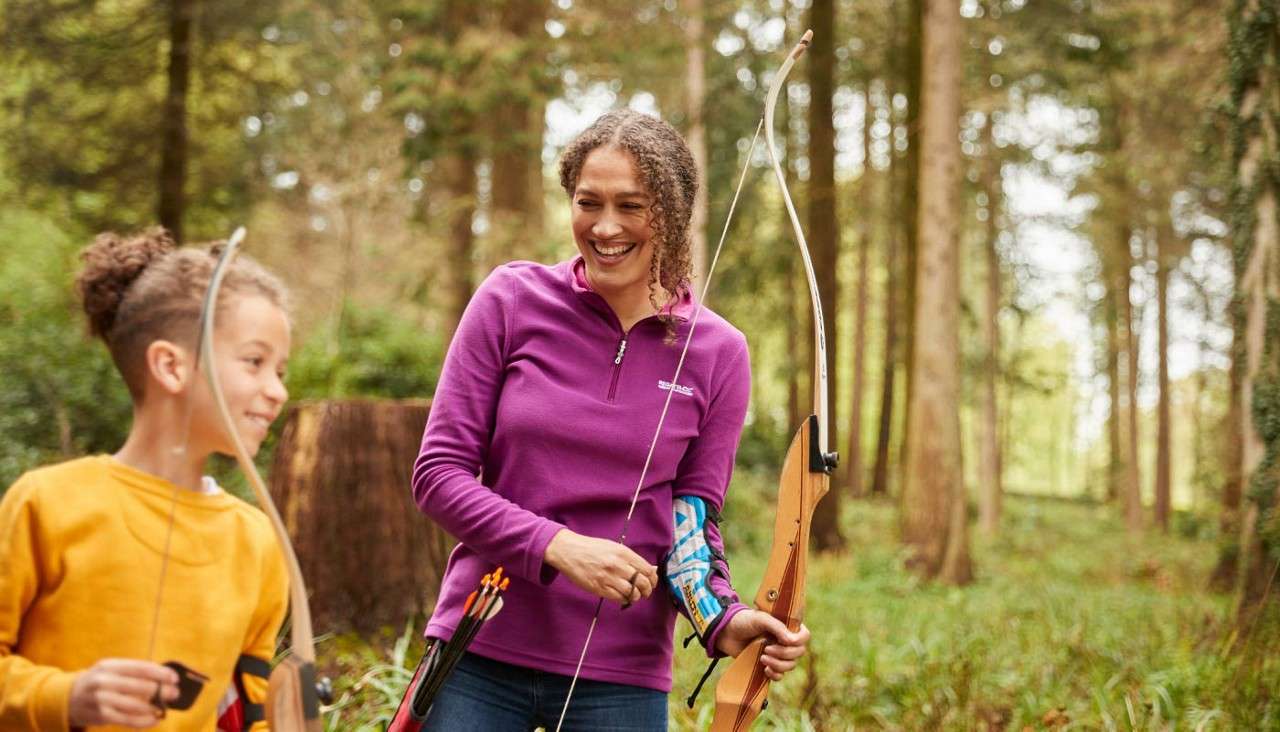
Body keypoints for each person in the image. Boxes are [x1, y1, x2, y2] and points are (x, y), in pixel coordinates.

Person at [412, 109, 810, 730]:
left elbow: (690, 523)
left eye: (632, 206)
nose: (604, 226)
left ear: (674, 214)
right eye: (587, 202)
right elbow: (438, 475)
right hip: (479, 650)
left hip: (620, 680)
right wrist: (557, 546)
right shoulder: (510, 300)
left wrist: (724, 620)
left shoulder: (720, 352)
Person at [0, 228, 293, 731]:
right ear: (170, 367)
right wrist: (65, 697)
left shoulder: (258, 541)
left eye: (281, 370)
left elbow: (246, 709)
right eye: (254, 362)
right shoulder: (47, 503)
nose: (277, 392)